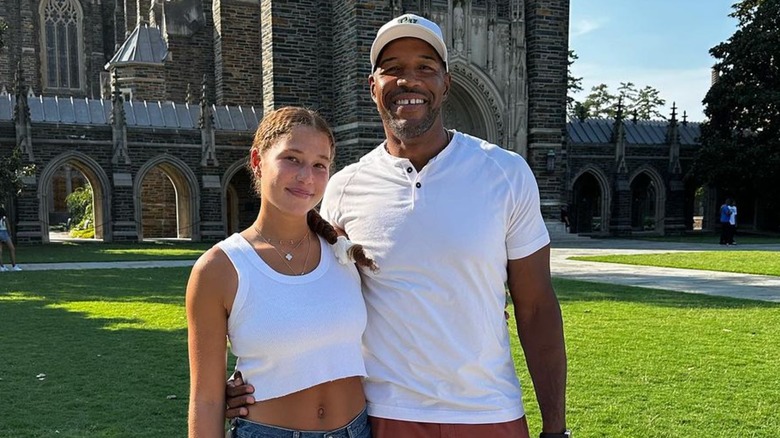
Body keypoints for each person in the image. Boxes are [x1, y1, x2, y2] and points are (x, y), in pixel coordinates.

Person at [226, 14, 569, 438]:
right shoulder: (344, 187)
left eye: (425, 67)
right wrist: (253, 381)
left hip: (488, 411)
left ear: (445, 82)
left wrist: (556, 428)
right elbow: (306, 293)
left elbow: (536, 307)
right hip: (384, 413)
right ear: (374, 87)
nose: (410, 80)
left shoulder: (505, 172)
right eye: (393, 69)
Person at [186, 107, 376, 438]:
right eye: (292, 159)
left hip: (357, 430)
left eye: (320, 165)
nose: (307, 176)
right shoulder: (220, 269)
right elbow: (206, 400)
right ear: (258, 161)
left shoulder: (343, 251)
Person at [0, 207, 22, 272]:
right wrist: (10, 235)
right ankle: (14, 265)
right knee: (12, 249)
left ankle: (1, 266)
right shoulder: (4, 218)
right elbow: (8, 227)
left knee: (0, 251)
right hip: (4, 232)